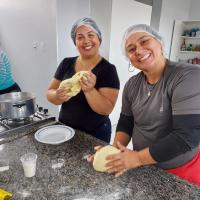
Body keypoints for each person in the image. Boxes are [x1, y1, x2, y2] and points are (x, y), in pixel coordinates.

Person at [102, 24, 200, 186]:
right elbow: (126, 122)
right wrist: (115, 152)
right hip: (143, 166)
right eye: (131, 49)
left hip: (180, 170)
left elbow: (187, 136)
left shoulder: (188, 76)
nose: (139, 51)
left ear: (160, 43)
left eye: (144, 41)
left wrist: (138, 158)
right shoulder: (132, 85)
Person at [47, 17, 120, 143]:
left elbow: (106, 109)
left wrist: (89, 90)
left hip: (95, 134)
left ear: (99, 39)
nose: (86, 41)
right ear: (75, 42)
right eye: (80, 37)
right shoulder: (66, 63)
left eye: (91, 35)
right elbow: (50, 93)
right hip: (65, 129)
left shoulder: (108, 70)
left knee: (92, 163)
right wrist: (57, 96)